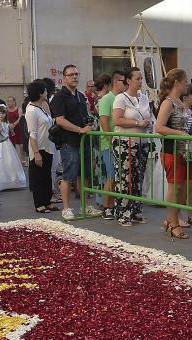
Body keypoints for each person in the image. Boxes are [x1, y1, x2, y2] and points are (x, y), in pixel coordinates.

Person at [51, 64, 101, 221]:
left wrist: (89, 124)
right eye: (71, 74)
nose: (74, 77)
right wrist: (79, 129)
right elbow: (60, 120)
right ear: (64, 78)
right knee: (69, 175)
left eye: (76, 74)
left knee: (84, 175)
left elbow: (83, 115)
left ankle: (85, 206)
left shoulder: (80, 96)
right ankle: (66, 208)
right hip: (69, 141)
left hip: (84, 141)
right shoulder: (60, 96)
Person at [111, 66, 154, 227]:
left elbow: (148, 115)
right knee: (125, 178)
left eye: (142, 78)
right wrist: (137, 123)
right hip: (124, 143)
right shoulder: (120, 98)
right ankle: (123, 212)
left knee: (138, 178)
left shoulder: (143, 97)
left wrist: (148, 124)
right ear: (128, 81)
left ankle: (135, 210)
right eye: (138, 78)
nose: (141, 81)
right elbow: (117, 120)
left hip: (141, 142)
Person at [155, 68, 192, 239]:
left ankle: (170, 219)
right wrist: (179, 134)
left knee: (183, 189)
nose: (187, 84)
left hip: (185, 152)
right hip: (172, 151)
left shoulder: (178, 101)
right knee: (175, 187)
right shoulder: (168, 102)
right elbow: (159, 127)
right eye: (185, 81)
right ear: (177, 82)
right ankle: (174, 224)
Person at [98, 71, 127, 219]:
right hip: (109, 144)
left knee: (118, 176)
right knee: (111, 175)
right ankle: (106, 207)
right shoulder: (106, 99)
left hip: (121, 143)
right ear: (116, 82)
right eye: (124, 81)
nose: (126, 84)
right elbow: (104, 123)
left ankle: (114, 204)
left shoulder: (122, 98)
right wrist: (112, 141)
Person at [25, 79, 57, 213]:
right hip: (38, 147)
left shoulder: (41, 107)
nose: (46, 92)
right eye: (44, 90)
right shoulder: (31, 110)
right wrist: (36, 153)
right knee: (38, 176)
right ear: (39, 93)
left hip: (48, 146)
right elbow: (32, 133)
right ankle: (39, 203)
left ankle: (47, 200)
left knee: (46, 175)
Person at [6, 95, 25, 166]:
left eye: (10, 101)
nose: (8, 103)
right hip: (10, 129)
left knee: (21, 145)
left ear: (14, 102)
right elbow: (5, 118)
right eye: (7, 101)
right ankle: (13, 161)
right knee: (11, 145)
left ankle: (23, 159)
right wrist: (9, 125)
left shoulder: (19, 109)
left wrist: (14, 124)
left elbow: (20, 117)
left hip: (18, 128)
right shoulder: (6, 109)